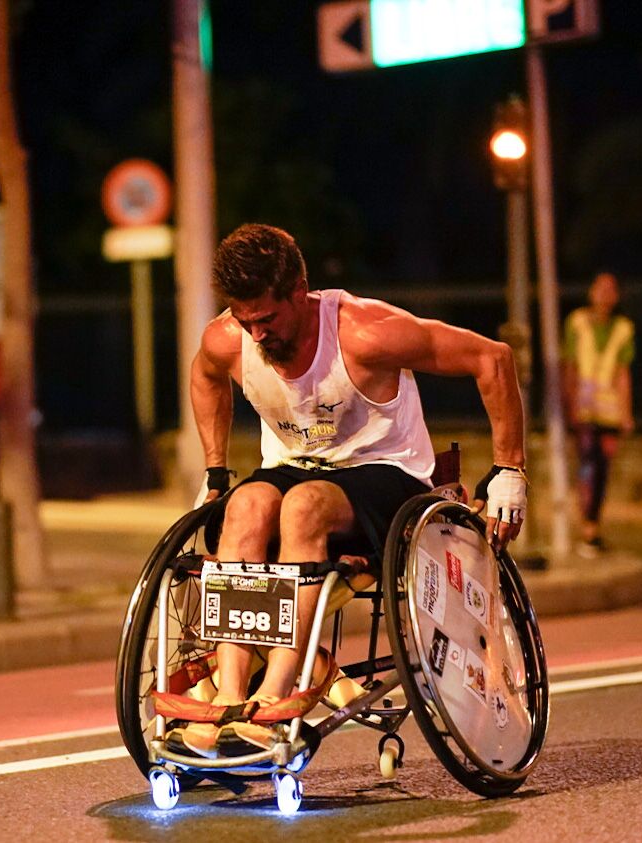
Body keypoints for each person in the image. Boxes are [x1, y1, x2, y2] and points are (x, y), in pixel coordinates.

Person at [179, 223, 528, 757]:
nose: (255, 335)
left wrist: (510, 469)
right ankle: (230, 697)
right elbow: (205, 377)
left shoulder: (366, 333)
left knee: (303, 507)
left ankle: (279, 692)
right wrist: (216, 471)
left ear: (299, 290)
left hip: (386, 474)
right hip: (296, 465)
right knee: (245, 505)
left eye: (267, 319)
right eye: (244, 321)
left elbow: (493, 358)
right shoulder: (228, 338)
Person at [562, 271, 635, 558]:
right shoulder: (577, 323)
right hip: (583, 411)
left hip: (609, 413)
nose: (605, 295)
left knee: (603, 470)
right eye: (600, 288)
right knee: (587, 468)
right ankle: (587, 527)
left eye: (610, 289)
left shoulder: (623, 329)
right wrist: (569, 405)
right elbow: (570, 366)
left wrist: (626, 414)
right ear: (591, 292)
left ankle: (593, 524)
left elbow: (622, 374)